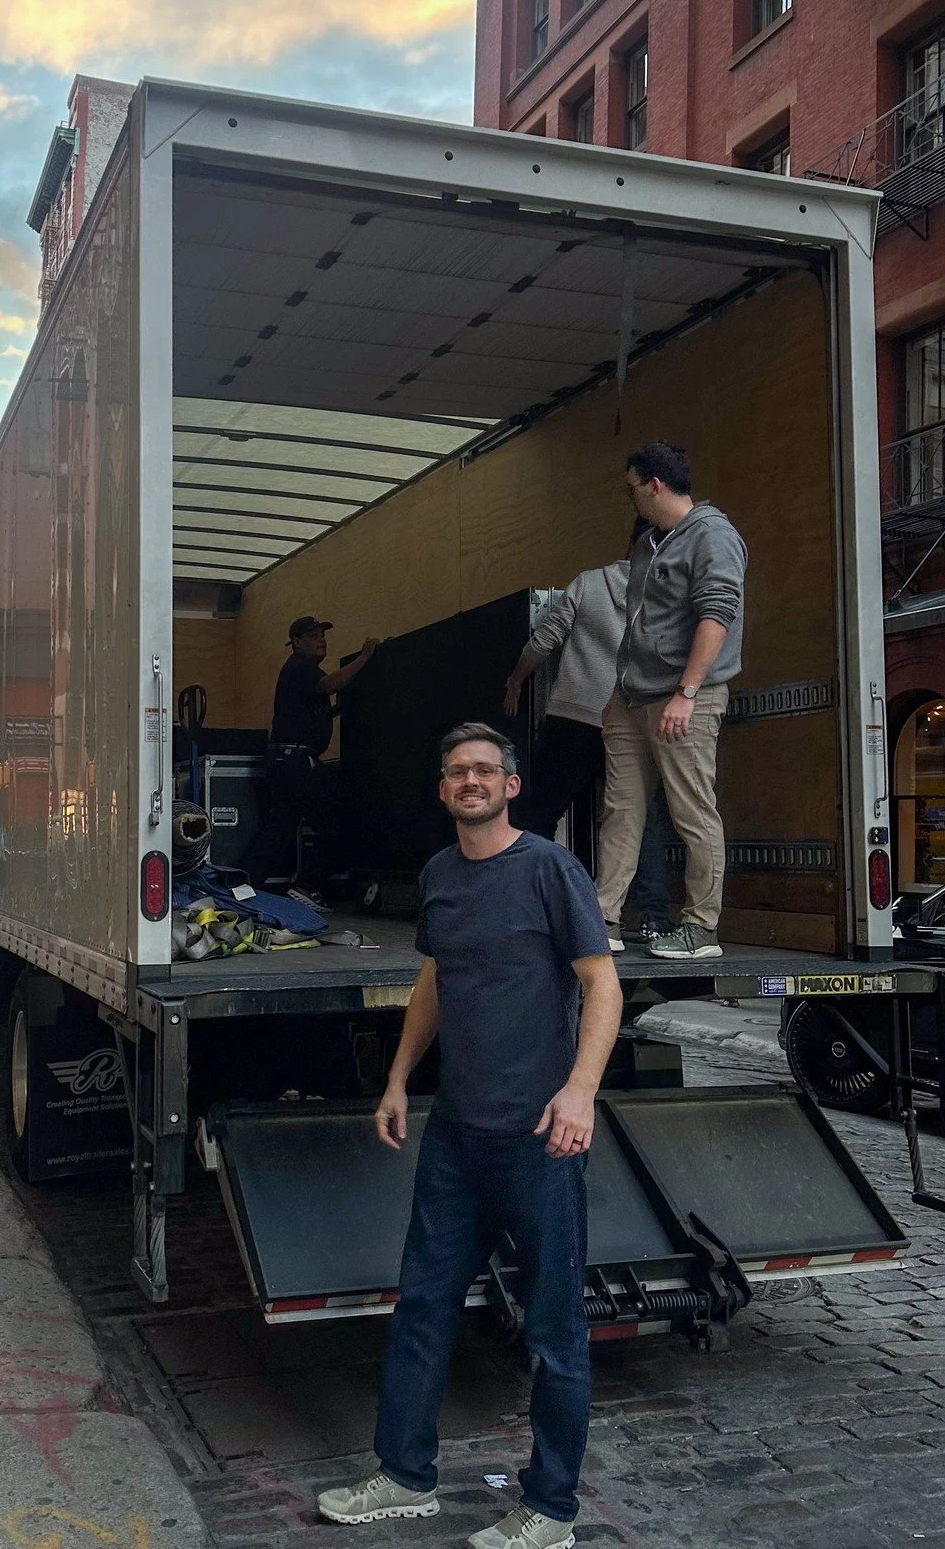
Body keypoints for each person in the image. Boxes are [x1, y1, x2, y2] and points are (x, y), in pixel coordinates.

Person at [318, 724, 621, 1549]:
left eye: (486, 770)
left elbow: (602, 984)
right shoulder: (440, 876)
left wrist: (581, 1093)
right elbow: (435, 980)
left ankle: (551, 1510)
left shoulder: (550, 869)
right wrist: (397, 1078)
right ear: (443, 790)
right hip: (456, 1133)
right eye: (458, 772)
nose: (472, 781)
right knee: (423, 1305)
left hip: (538, 1137)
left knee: (554, 1331)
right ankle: (404, 1476)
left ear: (511, 786)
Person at [596, 442, 748, 963]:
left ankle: (702, 928)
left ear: (655, 485)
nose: (631, 499)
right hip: (633, 696)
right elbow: (640, 623)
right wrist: (618, 691)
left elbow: (718, 614)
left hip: (684, 696)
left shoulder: (713, 536)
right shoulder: (649, 542)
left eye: (633, 489)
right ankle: (603, 919)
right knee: (621, 810)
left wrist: (686, 692)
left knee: (692, 810)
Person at [503, 523, 672, 945]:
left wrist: (516, 680)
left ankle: (525, 904)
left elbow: (544, 641)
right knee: (639, 820)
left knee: (540, 813)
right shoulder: (667, 593)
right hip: (632, 721)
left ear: (630, 543)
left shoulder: (590, 583)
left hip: (574, 716)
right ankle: (653, 918)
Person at [242, 615, 378, 889]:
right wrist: (364, 657)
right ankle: (307, 887)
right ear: (296, 642)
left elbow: (306, 712)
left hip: (285, 759)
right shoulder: (300, 667)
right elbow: (329, 685)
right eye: (314, 636)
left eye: (323, 635)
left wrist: (336, 710)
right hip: (296, 760)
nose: (321, 640)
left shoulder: (299, 671)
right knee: (335, 819)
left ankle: (242, 885)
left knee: (281, 827)